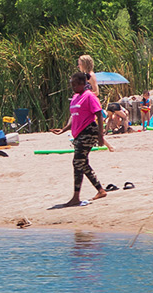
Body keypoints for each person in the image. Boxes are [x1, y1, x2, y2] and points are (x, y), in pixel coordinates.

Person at [50, 71, 107, 207]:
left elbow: (99, 115)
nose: (73, 87)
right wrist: (63, 129)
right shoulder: (75, 97)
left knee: (77, 163)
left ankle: (76, 197)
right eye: (72, 84)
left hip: (89, 131)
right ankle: (100, 190)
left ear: (83, 84)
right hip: (78, 133)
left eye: (75, 84)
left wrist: (101, 135)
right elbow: (74, 117)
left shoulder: (89, 96)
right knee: (82, 163)